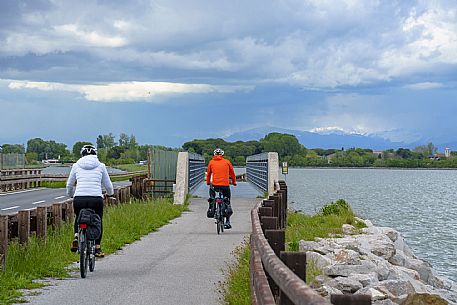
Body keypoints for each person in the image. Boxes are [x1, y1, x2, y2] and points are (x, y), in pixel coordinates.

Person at [66, 144, 114, 257]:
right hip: (95, 198)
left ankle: (77, 235)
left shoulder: (76, 166)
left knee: (78, 217)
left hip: (79, 198)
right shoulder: (101, 166)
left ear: (82, 154)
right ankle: (97, 247)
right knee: (98, 220)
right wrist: (110, 194)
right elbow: (108, 185)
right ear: (95, 154)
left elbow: (69, 184)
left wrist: (71, 195)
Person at [206, 148, 236, 229]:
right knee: (227, 201)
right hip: (225, 185)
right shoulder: (227, 162)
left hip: (215, 185)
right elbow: (232, 173)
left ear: (214, 155)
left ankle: (212, 204)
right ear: (222, 155)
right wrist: (234, 182)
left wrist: (208, 182)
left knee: (212, 192)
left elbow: (208, 174)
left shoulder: (211, 162)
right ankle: (227, 221)